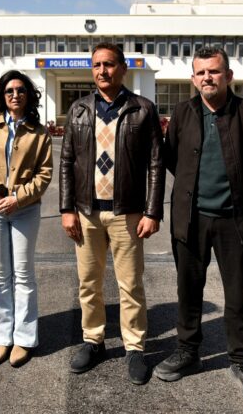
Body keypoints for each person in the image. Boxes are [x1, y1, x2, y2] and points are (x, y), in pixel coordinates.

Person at [155, 46, 243, 402]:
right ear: (193, 79)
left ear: (228, 76)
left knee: (237, 295)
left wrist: (239, 186)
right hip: (191, 219)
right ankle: (187, 351)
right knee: (188, 290)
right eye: (201, 72)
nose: (207, 77)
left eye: (214, 71)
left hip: (235, 221)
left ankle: (241, 361)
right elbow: (173, 159)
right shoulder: (183, 113)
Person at [60, 42, 165, 385]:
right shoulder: (79, 109)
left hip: (127, 214)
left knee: (130, 284)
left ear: (122, 68)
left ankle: (134, 348)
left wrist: (152, 211)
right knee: (88, 282)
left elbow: (156, 163)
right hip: (86, 213)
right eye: (96, 65)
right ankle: (94, 340)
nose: (102, 71)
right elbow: (66, 162)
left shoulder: (142, 109)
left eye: (108, 64)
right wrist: (66, 209)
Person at [0, 70, 53, 368]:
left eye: (20, 90)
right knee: (0, 274)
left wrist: (18, 198)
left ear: (29, 95)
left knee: (24, 274)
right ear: (2, 96)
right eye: (9, 91)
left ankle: (24, 339)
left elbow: (44, 175)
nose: (15, 95)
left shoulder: (39, 133)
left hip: (25, 209)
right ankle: (2, 337)